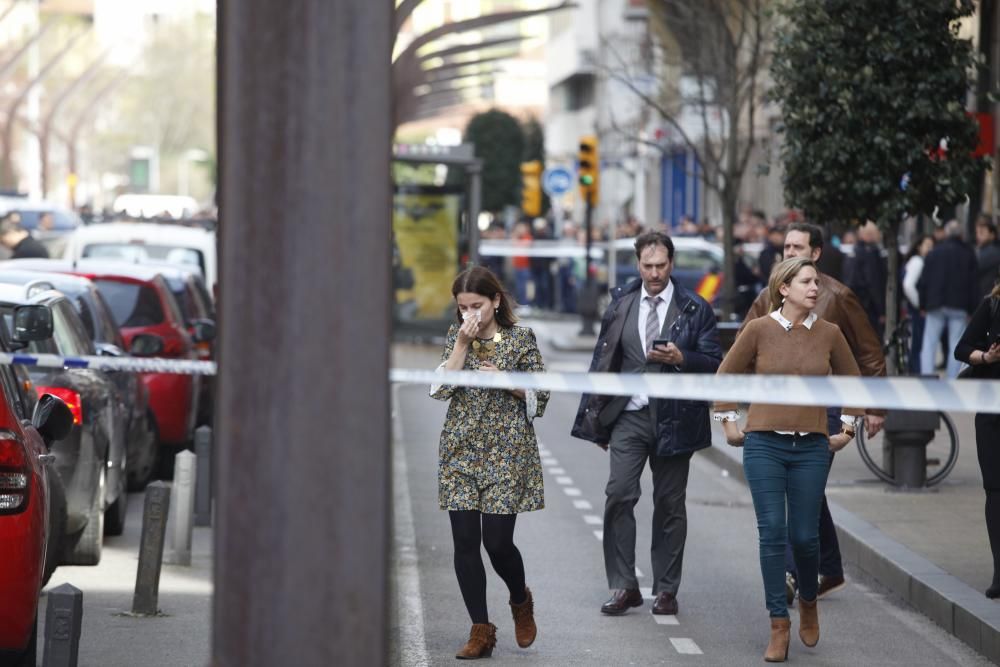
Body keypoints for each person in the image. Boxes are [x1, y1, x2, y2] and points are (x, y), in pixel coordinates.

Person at [716, 257, 864, 662]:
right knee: (772, 533)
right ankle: (778, 623)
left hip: (812, 447)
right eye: (807, 282)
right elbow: (726, 373)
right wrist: (729, 422)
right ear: (784, 288)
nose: (815, 288)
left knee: (805, 536)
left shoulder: (830, 333)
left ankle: (809, 600)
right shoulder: (759, 330)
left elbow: (854, 381)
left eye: (817, 281)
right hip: (763, 443)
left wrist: (848, 430)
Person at [571, 231, 722, 618]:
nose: (654, 273)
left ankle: (666, 589)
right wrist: (596, 422)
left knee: (670, 504)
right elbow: (603, 361)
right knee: (619, 494)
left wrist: (681, 358)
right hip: (630, 416)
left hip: (677, 418)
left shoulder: (695, 308)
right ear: (637, 264)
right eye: (647, 265)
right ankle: (623, 586)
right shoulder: (622, 302)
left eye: (661, 265)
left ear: (671, 264)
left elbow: (714, 361)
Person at [743, 222, 886, 603]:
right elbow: (743, 349)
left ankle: (790, 575)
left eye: (798, 247)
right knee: (806, 490)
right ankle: (832, 568)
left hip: (825, 406)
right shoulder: (768, 296)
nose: (789, 252)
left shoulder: (838, 296)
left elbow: (869, 351)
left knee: (797, 490)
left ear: (817, 253)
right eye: (786, 246)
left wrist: (873, 407)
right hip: (775, 409)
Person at [430, 266, 549, 659]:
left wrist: (508, 380)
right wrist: (462, 345)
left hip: (506, 452)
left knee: (497, 543)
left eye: (477, 305)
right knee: (464, 542)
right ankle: (480, 630)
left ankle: (520, 599)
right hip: (461, 451)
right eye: (463, 307)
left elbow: (541, 396)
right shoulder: (455, 338)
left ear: (496, 301)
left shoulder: (520, 338)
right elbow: (441, 389)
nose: (470, 314)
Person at [954, 285, 1000, 598]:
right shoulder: (993, 304)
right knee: (995, 491)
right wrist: (985, 356)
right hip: (991, 416)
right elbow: (962, 349)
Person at [918, 220, 979, 378]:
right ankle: (953, 381)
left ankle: (927, 378)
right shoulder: (968, 254)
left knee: (929, 343)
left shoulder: (934, 252)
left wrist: (922, 304)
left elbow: (924, 281)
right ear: (961, 234)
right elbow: (973, 284)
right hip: (959, 305)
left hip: (935, 303)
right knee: (956, 345)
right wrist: (973, 309)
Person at [845, 221, 887, 336]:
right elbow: (874, 283)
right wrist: (881, 310)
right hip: (869, 306)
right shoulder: (870, 254)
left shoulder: (854, 252)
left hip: (855, 304)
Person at [902, 235, 934, 374]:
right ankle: (916, 372)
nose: (930, 248)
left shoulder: (917, 261)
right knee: (918, 343)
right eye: (927, 245)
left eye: (932, 245)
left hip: (915, 309)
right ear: (919, 246)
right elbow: (908, 285)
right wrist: (919, 305)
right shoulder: (918, 262)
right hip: (917, 310)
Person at [975, 216, 1000, 299]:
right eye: (977, 232)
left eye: (981, 232)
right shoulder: (981, 250)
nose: (978, 236)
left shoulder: (993, 252)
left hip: (987, 297)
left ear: (992, 234)